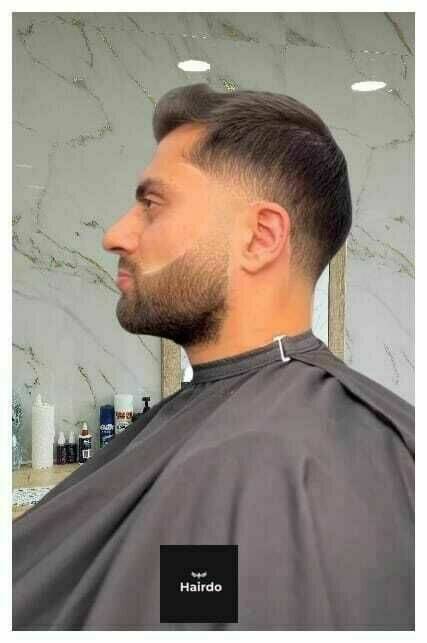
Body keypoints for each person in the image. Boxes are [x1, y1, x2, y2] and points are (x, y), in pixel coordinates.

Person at [13, 83, 414, 630]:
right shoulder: (259, 439)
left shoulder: (262, 460)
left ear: (260, 237)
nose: (115, 235)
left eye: (152, 205)